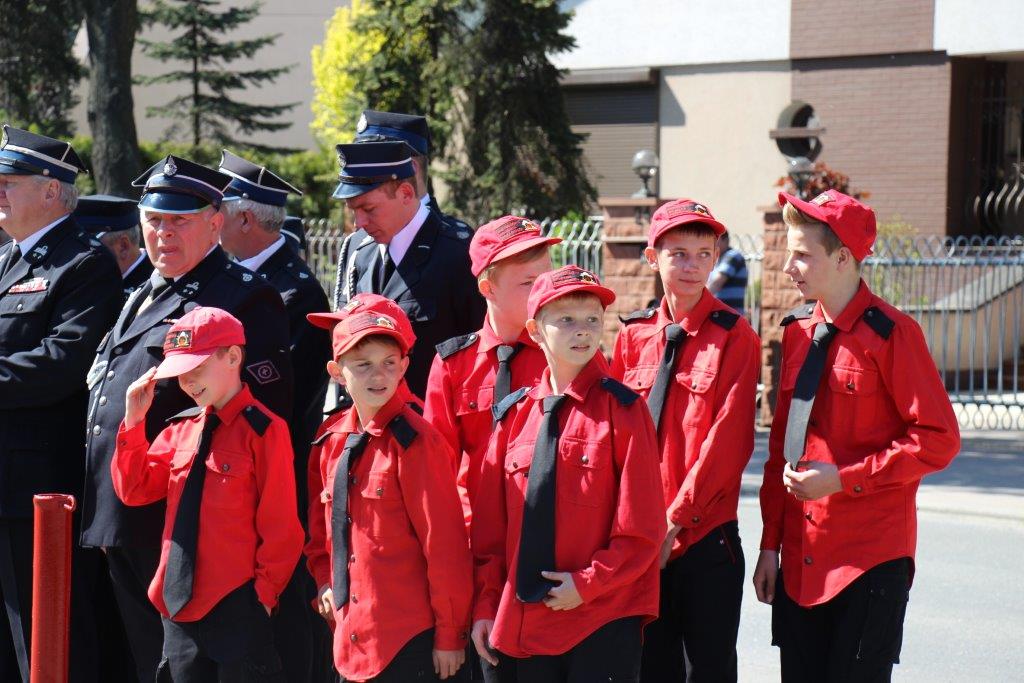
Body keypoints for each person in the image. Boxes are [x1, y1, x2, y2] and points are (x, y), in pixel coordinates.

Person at [80, 154, 294, 683]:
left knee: (182, 665)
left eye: (179, 220)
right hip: (126, 499)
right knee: (142, 660)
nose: (163, 232)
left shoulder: (243, 295)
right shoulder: (142, 292)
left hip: (188, 521)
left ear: (216, 223)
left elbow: (257, 419)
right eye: (154, 219)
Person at [752, 190, 961, 682]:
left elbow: (938, 440)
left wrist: (843, 479)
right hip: (800, 565)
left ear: (843, 258)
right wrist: (769, 545)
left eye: (802, 255)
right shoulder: (797, 332)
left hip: (869, 563)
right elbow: (781, 450)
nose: (788, 267)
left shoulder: (893, 335)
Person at [471, 265, 663, 683]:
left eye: (593, 319)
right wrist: (486, 605)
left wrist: (588, 583)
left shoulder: (625, 411)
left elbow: (643, 528)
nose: (583, 331)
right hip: (527, 620)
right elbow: (490, 535)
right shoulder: (514, 417)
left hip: (601, 616)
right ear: (535, 330)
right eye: (567, 320)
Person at [609, 199, 761, 682]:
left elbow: (728, 442)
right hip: (640, 541)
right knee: (649, 669)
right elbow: (613, 438)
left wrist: (673, 522)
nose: (693, 265)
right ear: (652, 257)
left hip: (704, 537)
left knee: (706, 671)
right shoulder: (632, 337)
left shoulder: (735, 337)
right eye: (678, 253)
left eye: (703, 253)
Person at [112, 306, 303, 680]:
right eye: (180, 373)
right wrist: (133, 422)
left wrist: (262, 598)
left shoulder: (264, 430)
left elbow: (281, 526)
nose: (187, 382)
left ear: (232, 357)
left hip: (237, 604)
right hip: (177, 608)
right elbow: (134, 490)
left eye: (196, 368)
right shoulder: (181, 429)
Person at [0, 125, 123, 683]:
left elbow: (60, 363)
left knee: (47, 637)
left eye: (9, 182)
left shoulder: (84, 263)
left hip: (40, 484)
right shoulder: (9, 258)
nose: (0, 194)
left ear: (52, 190)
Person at [304, 301, 472, 682]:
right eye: (363, 364)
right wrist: (324, 579)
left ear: (405, 367)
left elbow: (444, 546)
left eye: (389, 363)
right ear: (337, 372)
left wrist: (450, 634)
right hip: (350, 636)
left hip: (406, 638)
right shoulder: (331, 439)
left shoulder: (416, 443)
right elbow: (321, 527)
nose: (378, 375)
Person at [218, 148, 334, 682]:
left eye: (218, 211)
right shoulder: (239, 278)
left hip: (276, 468)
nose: (211, 221)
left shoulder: (292, 289)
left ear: (245, 218)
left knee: (285, 606)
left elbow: (286, 397)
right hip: (242, 468)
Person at [424, 215, 561, 523]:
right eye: (528, 283)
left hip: (549, 528)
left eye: (546, 279)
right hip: (475, 531)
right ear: (488, 288)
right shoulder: (453, 366)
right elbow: (436, 468)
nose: (543, 293)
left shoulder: (564, 355)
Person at [331, 140, 485, 397]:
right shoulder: (361, 251)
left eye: (368, 209)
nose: (359, 223)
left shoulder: (457, 253)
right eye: (353, 210)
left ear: (405, 193)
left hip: (434, 414)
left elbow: (480, 353)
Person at [75, 193, 154, 297]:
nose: (77, 253)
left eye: (88, 245)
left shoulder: (157, 283)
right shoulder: (82, 283)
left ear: (123, 246)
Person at [706, 231, 747, 317]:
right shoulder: (717, 259)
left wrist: (697, 301)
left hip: (730, 316)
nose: (712, 243)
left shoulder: (733, 256)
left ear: (725, 240)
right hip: (719, 314)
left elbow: (716, 283)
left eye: (716, 239)